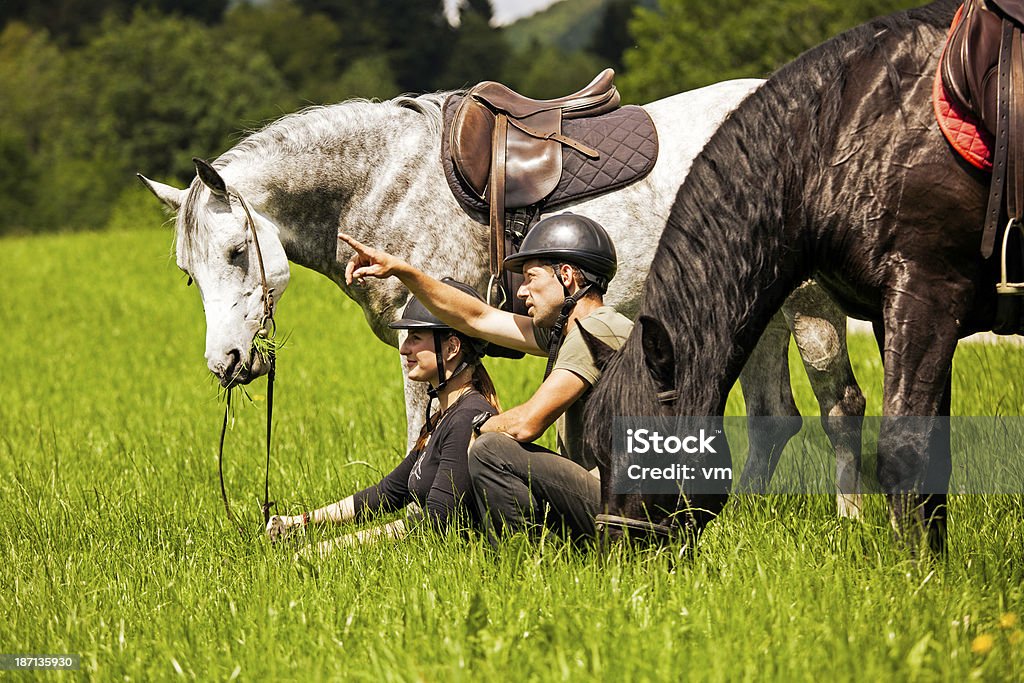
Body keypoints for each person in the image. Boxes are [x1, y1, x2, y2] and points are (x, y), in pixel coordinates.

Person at [338, 212, 632, 543]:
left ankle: (527, 566)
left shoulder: (597, 332)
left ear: (566, 276)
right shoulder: (574, 333)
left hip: (629, 513)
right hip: (615, 502)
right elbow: (476, 318)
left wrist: (472, 429)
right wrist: (403, 272)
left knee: (491, 449)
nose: (522, 292)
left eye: (530, 278)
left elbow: (528, 424)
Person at [266, 280, 501, 555]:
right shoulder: (444, 417)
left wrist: (326, 550)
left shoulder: (466, 418)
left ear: (452, 347)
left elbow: (436, 524)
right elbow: (387, 493)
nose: (404, 349)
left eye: (416, 337)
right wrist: (300, 523)